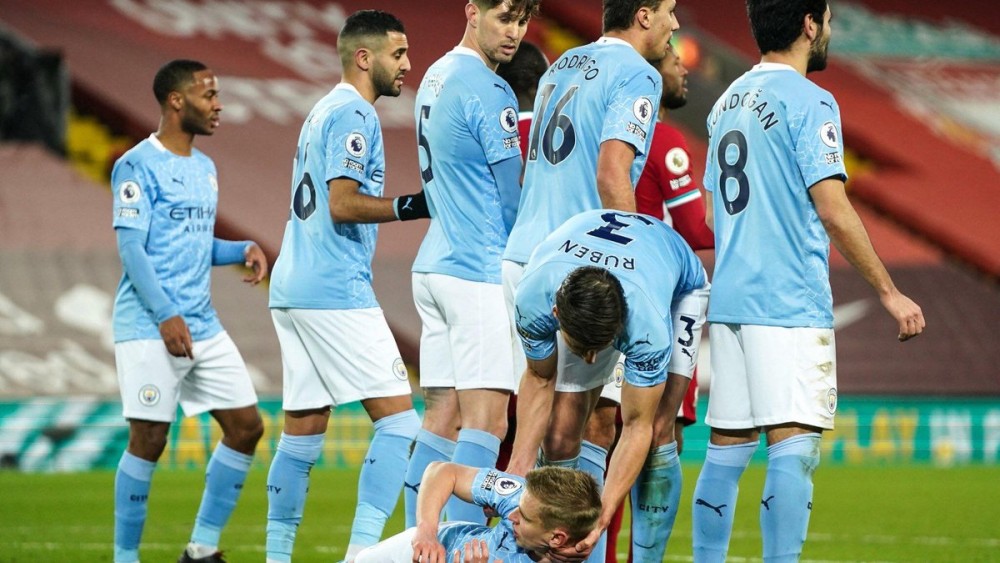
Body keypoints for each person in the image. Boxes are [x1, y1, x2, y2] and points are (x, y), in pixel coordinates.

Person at [692, 2, 925, 561]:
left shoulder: (726, 101)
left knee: (727, 448)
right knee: (794, 447)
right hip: (787, 300)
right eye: (829, 21)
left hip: (731, 301)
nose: (829, 31)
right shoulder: (811, 100)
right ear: (808, 25)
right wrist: (889, 292)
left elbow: (710, 215)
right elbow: (833, 208)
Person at [503, 1, 680, 559]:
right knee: (578, 429)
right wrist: (628, 261)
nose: (675, 24)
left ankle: (517, 538)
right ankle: (569, 549)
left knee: (538, 415)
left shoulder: (563, 64)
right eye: (670, 11)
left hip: (526, 258)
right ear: (644, 15)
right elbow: (611, 172)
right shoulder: (639, 74)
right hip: (582, 267)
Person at [265, 10, 428, 563]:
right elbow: (341, 203)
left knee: (303, 431)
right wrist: (413, 206)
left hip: (294, 284)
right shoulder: (356, 113)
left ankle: (276, 557)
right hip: (333, 286)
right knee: (401, 424)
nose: (407, 64)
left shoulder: (323, 110)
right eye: (398, 54)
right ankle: (361, 555)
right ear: (365, 57)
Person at [110, 59, 268, 563]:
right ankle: (125, 557)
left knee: (247, 426)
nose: (218, 105)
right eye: (209, 95)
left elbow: (195, 243)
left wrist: (240, 248)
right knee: (149, 438)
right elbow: (133, 248)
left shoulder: (205, 168)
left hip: (201, 324)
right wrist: (164, 314)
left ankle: (201, 548)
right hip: (148, 324)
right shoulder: (136, 165)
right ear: (177, 101)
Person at [404, 0, 540, 527]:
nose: (514, 33)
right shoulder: (491, 88)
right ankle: (459, 545)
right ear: (472, 12)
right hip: (477, 270)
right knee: (487, 425)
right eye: (504, 18)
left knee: (440, 420)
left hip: (435, 264)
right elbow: (511, 198)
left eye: (522, 22)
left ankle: (414, 542)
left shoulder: (436, 74)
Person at [511, 209, 709, 562]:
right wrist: (518, 470)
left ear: (619, 324)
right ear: (556, 315)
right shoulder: (533, 299)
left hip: (679, 285)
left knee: (658, 431)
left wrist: (600, 521)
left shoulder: (646, 327)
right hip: (588, 266)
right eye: (583, 347)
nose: (591, 360)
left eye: (599, 348)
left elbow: (635, 428)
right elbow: (540, 378)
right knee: (559, 435)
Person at [615, 43, 714, 563]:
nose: (684, 72)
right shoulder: (666, 139)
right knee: (660, 434)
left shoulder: (610, 140)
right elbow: (695, 229)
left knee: (605, 438)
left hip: (608, 294)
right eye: (676, 63)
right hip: (665, 300)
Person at [356, 462, 601, 563]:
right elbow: (442, 471)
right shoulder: (524, 496)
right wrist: (427, 531)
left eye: (524, 518)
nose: (511, 516)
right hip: (416, 550)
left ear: (556, 538)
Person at [493, 39, 549, 474]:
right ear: (538, 83)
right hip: (541, 265)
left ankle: (490, 499)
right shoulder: (553, 136)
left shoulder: (492, 136)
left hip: (490, 272)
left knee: (495, 411)